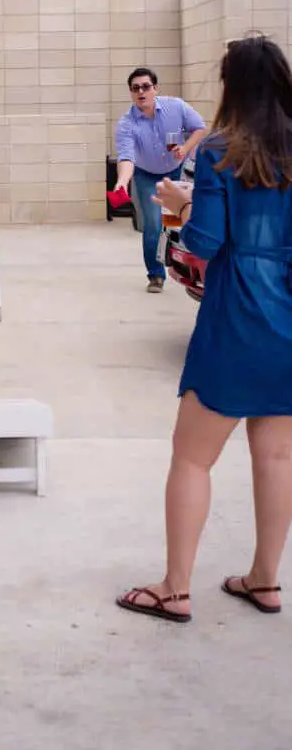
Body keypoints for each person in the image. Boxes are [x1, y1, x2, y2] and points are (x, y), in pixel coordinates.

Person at [117, 35, 292, 623]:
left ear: (231, 86)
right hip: (289, 317)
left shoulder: (221, 149)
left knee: (191, 458)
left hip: (235, 316)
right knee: (277, 459)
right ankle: (265, 579)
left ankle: (175, 587)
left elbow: (205, 244)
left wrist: (180, 201)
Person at [114, 68, 206, 292]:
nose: (141, 92)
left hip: (176, 171)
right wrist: (122, 181)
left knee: (181, 221)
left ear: (155, 88)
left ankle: (189, 267)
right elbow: (126, 157)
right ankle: (156, 275)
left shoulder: (176, 107)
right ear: (131, 93)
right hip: (147, 176)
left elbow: (200, 128)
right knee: (154, 225)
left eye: (146, 86)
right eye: (135, 88)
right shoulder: (126, 124)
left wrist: (184, 148)